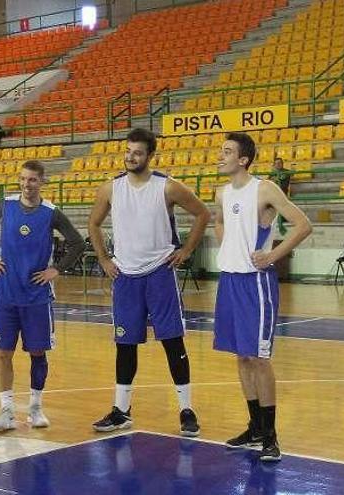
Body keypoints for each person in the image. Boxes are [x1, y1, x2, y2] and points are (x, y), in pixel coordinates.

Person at [88, 128, 211, 436]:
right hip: (125, 276)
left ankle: (186, 410)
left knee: (172, 341)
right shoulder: (111, 188)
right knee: (125, 344)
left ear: (150, 156)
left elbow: (202, 213)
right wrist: (103, 258)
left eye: (138, 152)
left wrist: (187, 250)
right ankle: (121, 410)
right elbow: (93, 222)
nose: (131, 156)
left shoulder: (167, 187)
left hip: (159, 272)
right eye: (128, 151)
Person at [213, 132, 312, 462]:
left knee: (258, 358)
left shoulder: (265, 188)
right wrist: (228, 246)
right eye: (221, 150)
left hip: (256, 283)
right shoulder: (222, 193)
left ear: (243, 159)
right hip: (229, 280)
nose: (220, 155)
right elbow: (219, 222)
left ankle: (271, 437)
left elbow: (302, 224)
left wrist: (273, 255)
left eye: (227, 152)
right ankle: (255, 429)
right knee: (242, 357)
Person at [0, 160, 86, 432]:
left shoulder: (51, 212)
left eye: (32, 180)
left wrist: (55, 269)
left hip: (37, 296)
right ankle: (6, 411)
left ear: (42, 182)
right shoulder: (5, 205)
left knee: (37, 352)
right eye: (22, 179)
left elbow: (78, 243)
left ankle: (35, 407)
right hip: (5, 294)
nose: (26, 184)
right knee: (2, 353)